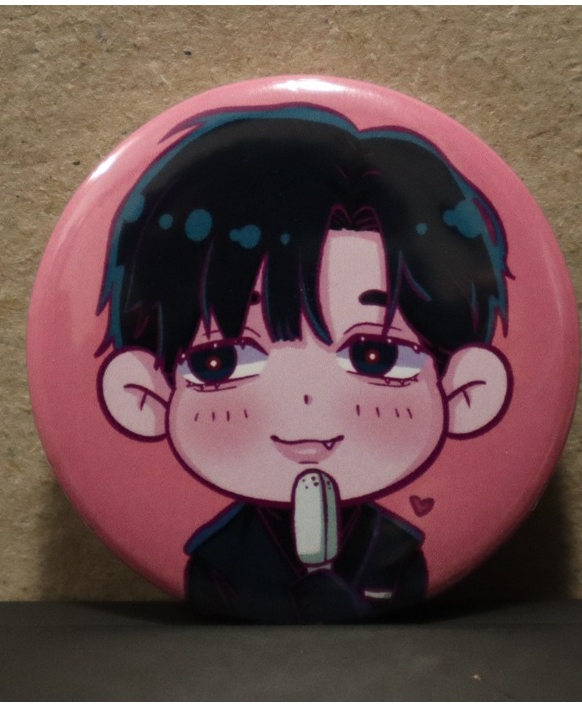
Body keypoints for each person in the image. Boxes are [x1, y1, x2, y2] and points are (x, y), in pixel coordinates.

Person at [96, 106, 512, 622]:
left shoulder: (400, 553)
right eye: (219, 361)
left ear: (466, 390)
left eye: (375, 355)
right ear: (145, 396)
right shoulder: (218, 561)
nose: (306, 402)